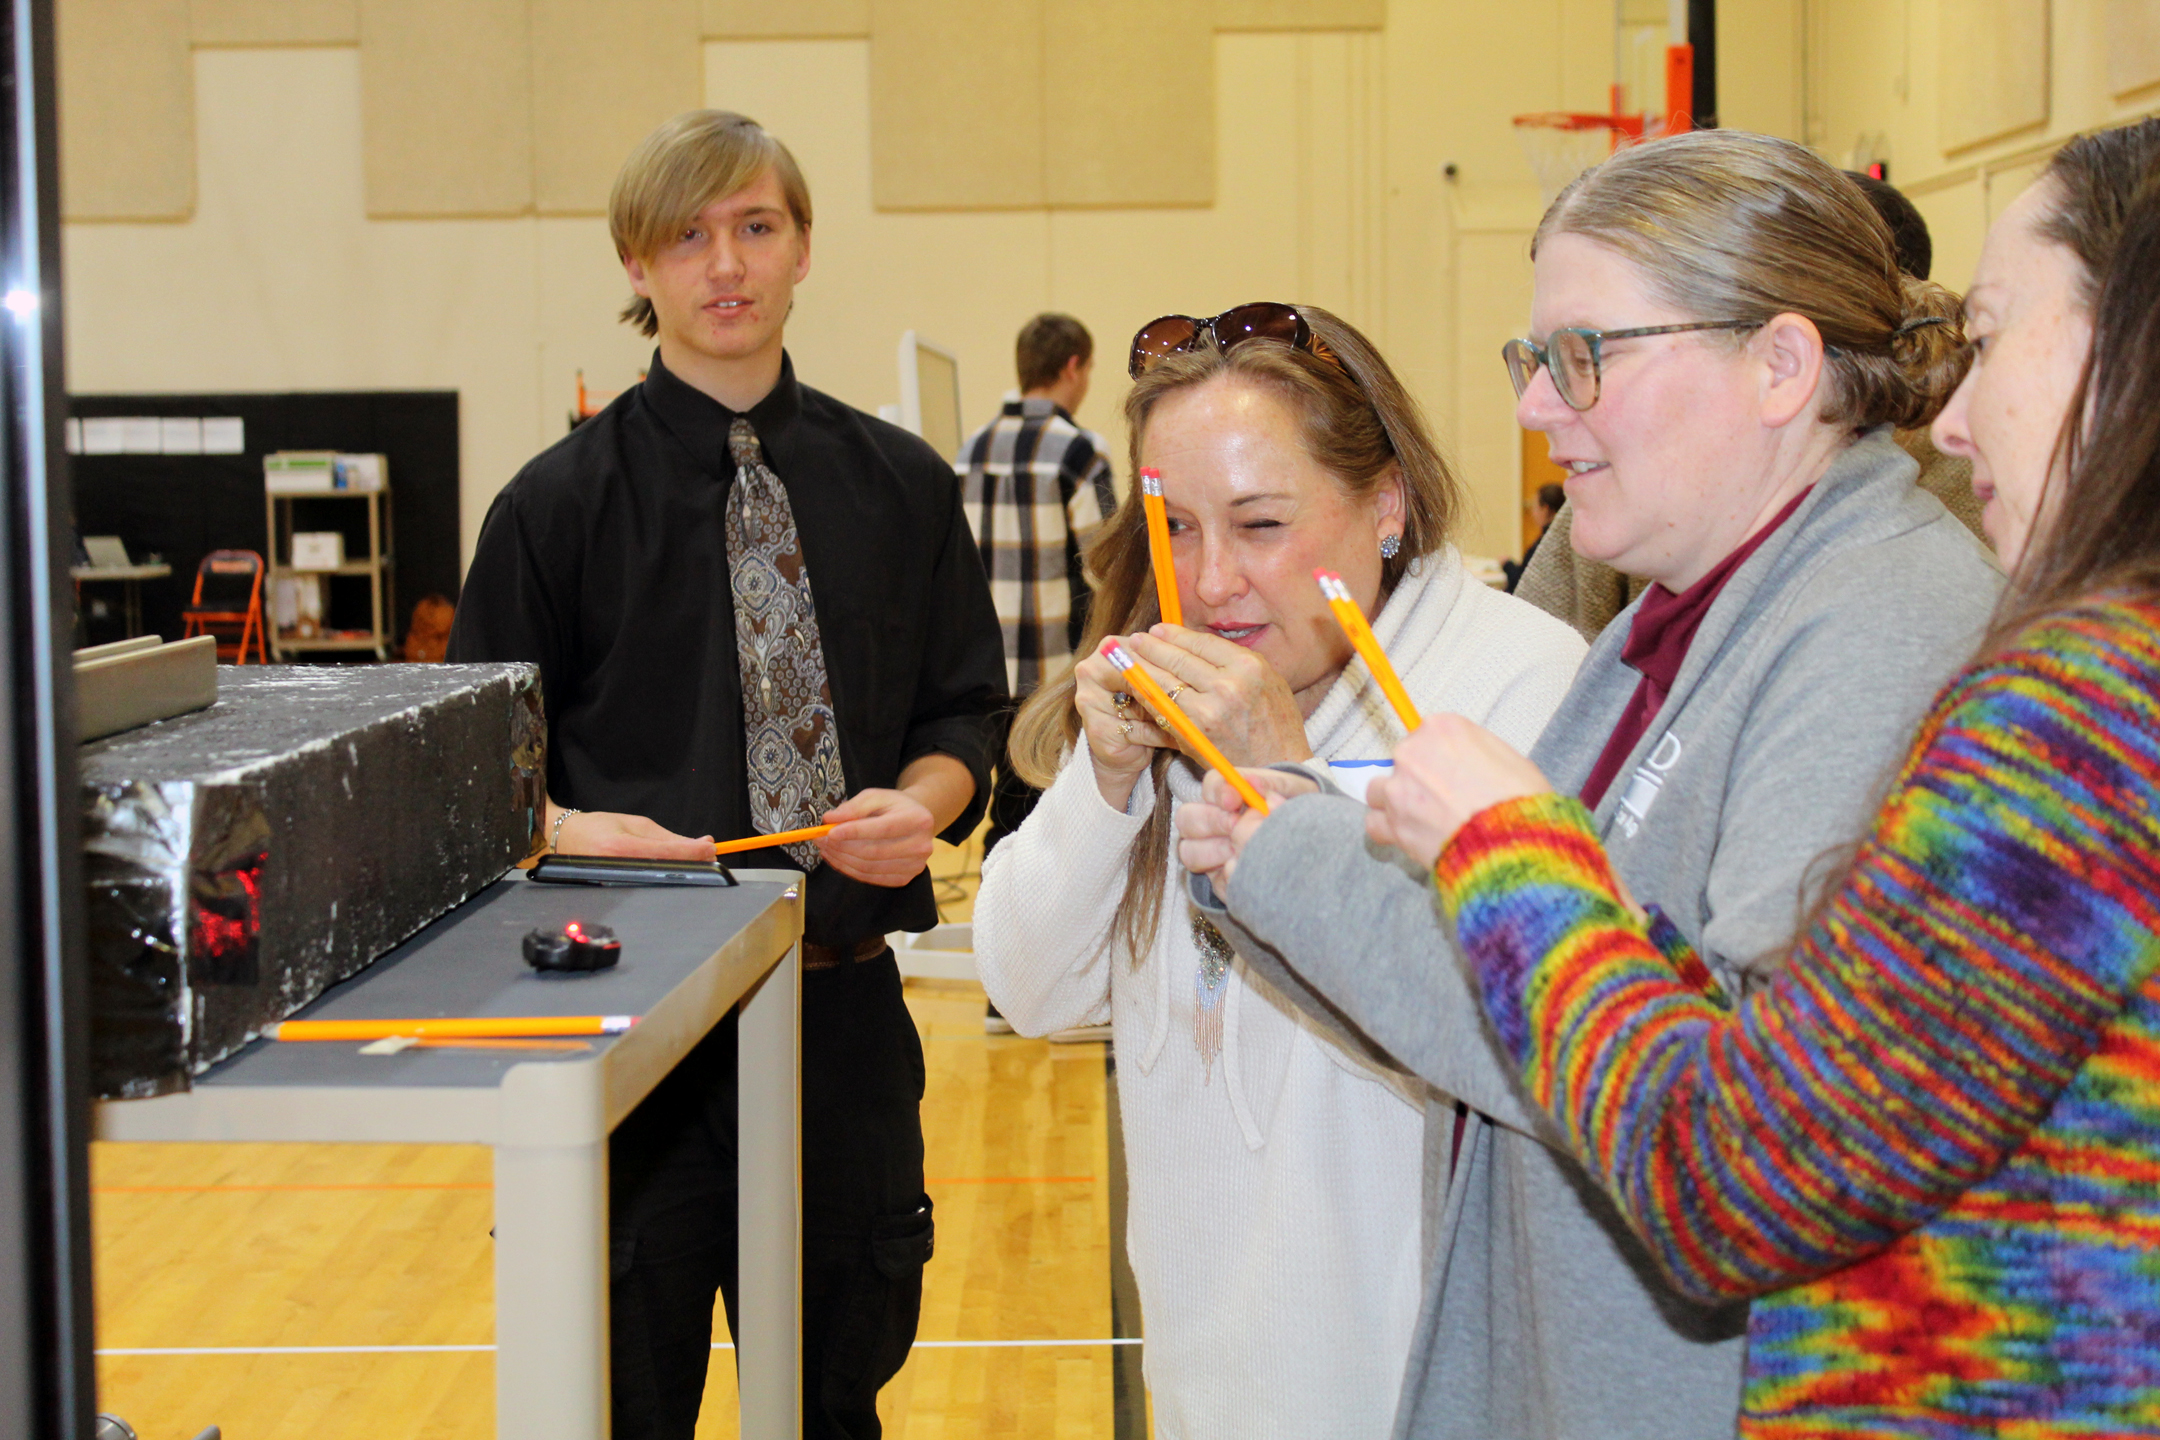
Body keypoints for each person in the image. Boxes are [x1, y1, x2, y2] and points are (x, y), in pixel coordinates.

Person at [1174, 131, 2004, 1440]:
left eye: (1583, 357)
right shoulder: (1672, 614)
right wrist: (1275, 851)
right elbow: (1519, 998)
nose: (1535, 409)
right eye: (1534, 360)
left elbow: (1715, 1081)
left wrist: (1295, 860)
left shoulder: (1881, 628)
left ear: (1779, 364)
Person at [1353, 118, 2160, 1439]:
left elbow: (1735, 1175)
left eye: (1999, 334)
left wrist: (1509, 849)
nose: (1949, 418)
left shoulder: (2083, 719)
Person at [445, 110, 1007, 1440]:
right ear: (638, 267)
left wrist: (921, 809)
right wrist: (578, 825)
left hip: (843, 1023)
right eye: (687, 236)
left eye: (756, 226)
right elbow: (472, 776)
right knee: (631, 1396)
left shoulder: (908, 491)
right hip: (634, 1030)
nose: (726, 262)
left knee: (832, 1402)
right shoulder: (552, 509)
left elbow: (966, 714)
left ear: (803, 247)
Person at [973, 303, 1586, 1439]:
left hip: (1426, 1393)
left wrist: (1284, 787)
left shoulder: (1521, 689)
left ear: (1387, 503)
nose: (1210, 585)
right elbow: (1029, 984)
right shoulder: (1171, 682)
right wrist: (1103, 787)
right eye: (1177, 529)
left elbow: (1507, 1045)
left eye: (1259, 525)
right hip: (1211, 1380)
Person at [1514, 166, 1988, 641]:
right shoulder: (1660, 532)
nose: (1533, 409)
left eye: (1592, 353)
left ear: (1784, 363)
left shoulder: (1896, 620)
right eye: (1547, 359)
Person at [956, 312, 1117, 1034]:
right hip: (1052, 680)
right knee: (1042, 827)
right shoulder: (1078, 454)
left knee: (1003, 821)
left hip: (986, 676)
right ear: (1075, 368)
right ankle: (1018, 987)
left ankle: (1004, 984)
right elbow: (1111, 560)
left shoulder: (969, 451)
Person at [1501, 481, 1563, 592]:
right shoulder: (1561, 538)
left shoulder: (1545, 544)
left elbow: (1522, 581)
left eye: (1535, 506)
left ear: (1545, 509)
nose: (1532, 512)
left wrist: (1507, 565)